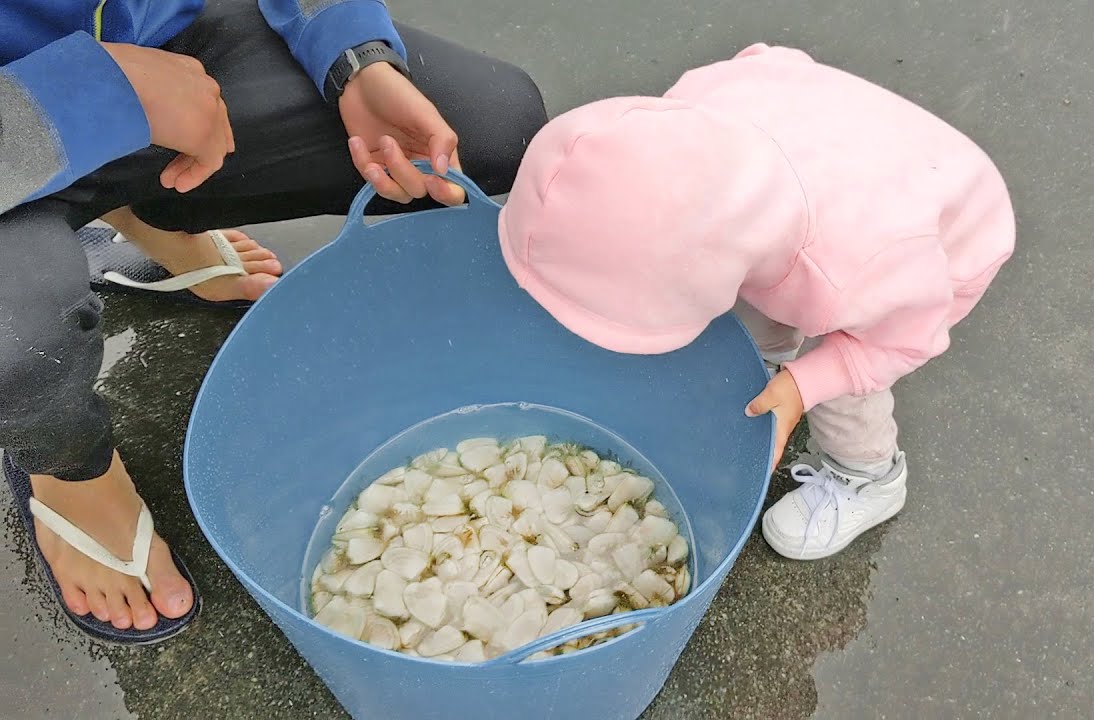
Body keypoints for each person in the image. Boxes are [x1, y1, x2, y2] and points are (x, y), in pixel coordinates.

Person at [0, 0, 547, 642]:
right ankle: (67, 473)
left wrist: (353, 54)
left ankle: (140, 207)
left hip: (169, 43)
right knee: (19, 343)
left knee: (491, 124)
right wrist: (93, 94)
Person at [497, 43, 1015, 561]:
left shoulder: (862, 271)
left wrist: (805, 384)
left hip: (948, 235)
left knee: (847, 385)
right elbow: (770, 59)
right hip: (831, 151)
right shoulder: (684, 118)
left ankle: (869, 478)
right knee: (763, 305)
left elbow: (905, 341)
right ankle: (767, 356)